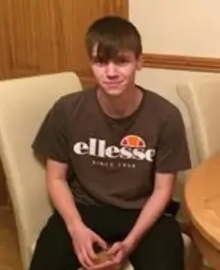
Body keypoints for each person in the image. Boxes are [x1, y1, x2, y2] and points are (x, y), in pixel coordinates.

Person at [30, 15, 191, 270]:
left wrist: (131, 241)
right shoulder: (67, 110)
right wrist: (75, 227)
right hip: (84, 208)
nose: (111, 72)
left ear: (139, 61)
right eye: (101, 62)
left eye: (122, 61)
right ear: (90, 63)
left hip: (143, 211)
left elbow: (162, 190)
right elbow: (56, 178)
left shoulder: (166, 116)